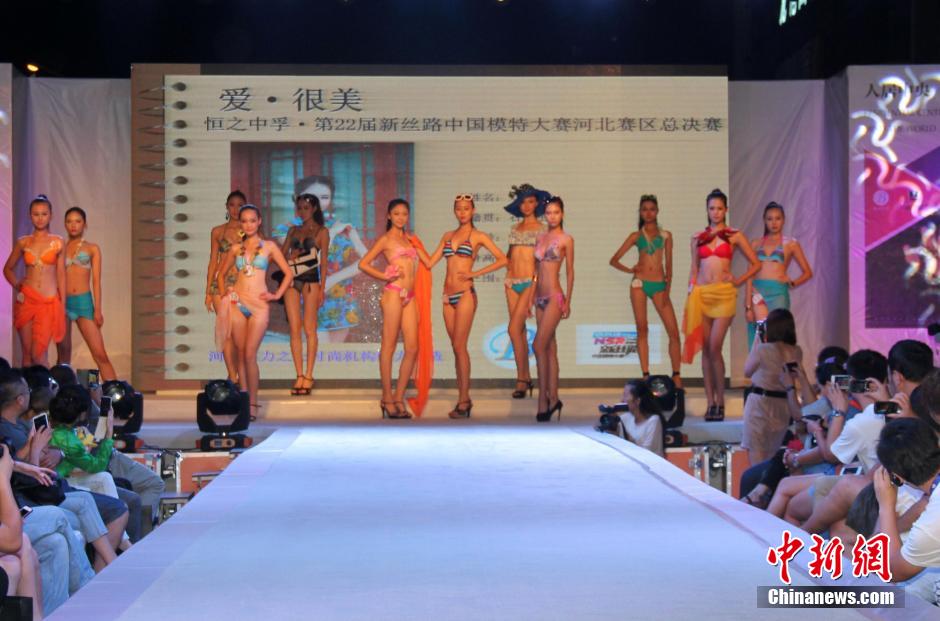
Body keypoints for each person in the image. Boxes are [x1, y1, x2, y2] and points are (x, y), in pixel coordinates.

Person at [426, 195, 508, 418]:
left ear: (473, 211)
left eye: (466, 208)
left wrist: (474, 273)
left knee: (460, 346)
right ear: (454, 211)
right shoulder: (447, 236)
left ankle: (463, 400)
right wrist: (412, 244)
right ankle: (464, 398)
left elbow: (503, 259)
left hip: (465, 294)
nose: (462, 212)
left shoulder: (478, 236)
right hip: (447, 296)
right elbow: (430, 262)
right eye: (458, 209)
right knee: (456, 347)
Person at [682, 188, 760, 421]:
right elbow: (694, 269)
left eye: (719, 208)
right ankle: (711, 402)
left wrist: (738, 280)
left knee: (715, 346)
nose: (715, 212)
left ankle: (721, 401)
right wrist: (690, 291)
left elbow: (755, 263)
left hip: (724, 294)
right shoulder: (698, 238)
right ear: (707, 210)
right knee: (706, 349)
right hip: (702, 294)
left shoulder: (734, 235)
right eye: (711, 208)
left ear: (726, 210)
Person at [358, 199, 433, 418]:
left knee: (412, 348)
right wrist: (384, 276)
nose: (401, 217)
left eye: (404, 214)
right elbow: (363, 264)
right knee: (389, 346)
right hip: (393, 293)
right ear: (389, 216)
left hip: (410, 296)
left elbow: (427, 263)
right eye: (396, 213)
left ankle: (399, 396)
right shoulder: (386, 239)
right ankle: (387, 398)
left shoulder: (409, 239)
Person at [216, 204, 293, 416]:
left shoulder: (269, 246)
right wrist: (225, 293)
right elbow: (221, 275)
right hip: (238, 303)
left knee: (250, 354)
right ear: (240, 224)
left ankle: (253, 403)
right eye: (244, 221)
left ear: (259, 221)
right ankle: (244, 402)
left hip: (259, 305)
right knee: (241, 354)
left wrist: (276, 295)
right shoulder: (235, 248)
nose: (248, 225)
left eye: (252, 220)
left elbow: (288, 273)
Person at [609, 194, 682, 385]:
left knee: (673, 332)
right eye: (644, 209)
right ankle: (646, 375)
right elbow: (614, 260)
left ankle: (676, 374)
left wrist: (667, 290)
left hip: (659, 285)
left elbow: (669, 267)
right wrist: (630, 270)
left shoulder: (666, 236)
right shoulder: (636, 236)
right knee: (642, 329)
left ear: (657, 211)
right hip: (640, 284)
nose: (648, 213)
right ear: (640, 213)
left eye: (652, 209)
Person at [294, 175, 368, 343]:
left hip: (340, 298)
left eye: (325, 197)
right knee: (318, 351)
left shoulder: (341, 225)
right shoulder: (291, 228)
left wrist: (334, 279)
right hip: (309, 297)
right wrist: (332, 233)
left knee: (334, 352)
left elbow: (367, 261)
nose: (318, 202)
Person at [873, 418, 940, 602]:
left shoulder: (930, 527)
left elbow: (891, 572)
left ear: (897, 477)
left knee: (889, 595)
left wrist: (886, 506)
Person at [54, 207, 117, 381]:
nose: (73, 225)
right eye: (69, 221)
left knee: (100, 354)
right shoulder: (60, 248)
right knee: (63, 357)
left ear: (85, 224)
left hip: (83, 302)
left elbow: (96, 281)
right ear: (65, 224)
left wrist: (98, 309)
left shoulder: (92, 248)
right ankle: (63, 395)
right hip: (63, 302)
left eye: (78, 221)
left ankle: (117, 393)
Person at [3, 195, 66, 366]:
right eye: (36, 214)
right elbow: (7, 269)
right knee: (27, 354)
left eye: (44, 214)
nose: (40, 218)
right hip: (27, 300)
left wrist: (63, 303)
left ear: (51, 215)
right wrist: (18, 285)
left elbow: (61, 274)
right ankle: (28, 384)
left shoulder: (58, 242)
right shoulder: (23, 242)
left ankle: (45, 384)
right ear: (30, 215)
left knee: (39, 354)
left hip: (48, 301)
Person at [280, 193, 330, 396]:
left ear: (315, 209)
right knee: (294, 329)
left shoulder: (322, 231)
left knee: (310, 329)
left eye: (306, 208)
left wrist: (322, 289)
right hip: (292, 280)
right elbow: (279, 256)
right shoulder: (293, 230)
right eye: (299, 208)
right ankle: (299, 374)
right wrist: (289, 257)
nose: (302, 211)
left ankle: (309, 375)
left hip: (311, 281)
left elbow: (324, 263)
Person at [745, 202, 813, 347]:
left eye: (778, 218)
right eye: (770, 219)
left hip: (778, 294)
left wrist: (792, 283)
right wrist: (748, 306)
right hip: (758, 293)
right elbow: (749, 276)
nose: (774, 222)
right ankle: (760, 362)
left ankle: (778, 362)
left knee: (778, 336)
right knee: (759, 337)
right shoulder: (755, 243)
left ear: (783, 220)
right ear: (764, 220)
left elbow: (807, 272)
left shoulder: (791, 244)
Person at [503, 184, 549, 399]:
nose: (527, 206)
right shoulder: (514, 228)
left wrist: (535, 284)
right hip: (511, 282)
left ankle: (526, 378)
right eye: (523, 202)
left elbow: (542, 262)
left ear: (537, 203)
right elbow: (509, 256)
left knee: (513, 329)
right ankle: (523, 377)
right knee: (518, 331)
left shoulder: (543, 229)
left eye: (530, 201)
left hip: (531, 282)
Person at [741, 308, 803, 464]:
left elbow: (747, 371)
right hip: (783, 405)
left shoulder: (763, 349)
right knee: (771, 457)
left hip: (759, 404)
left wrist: (757, 336)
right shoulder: (797, 351)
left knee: (757, 459)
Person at [532, 197, 574, 422]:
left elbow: (570, 272)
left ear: (562, 214)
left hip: (555, 297)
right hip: (539, 298)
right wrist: (530, 298)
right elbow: (535, 272)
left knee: (538, 345)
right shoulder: (540, 237)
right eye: (548, 212)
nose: (552, 216)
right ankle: (554, 398)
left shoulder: (566, 239)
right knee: (549, 348)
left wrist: (568, 301)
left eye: (556, 212)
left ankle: (543, 400)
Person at [205, 190, 247, 385]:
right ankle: (232, 376)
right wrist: (208, 291)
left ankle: (241, 375)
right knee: (226, 332)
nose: (236, 209)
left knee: (240, 334)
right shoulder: (218, 231)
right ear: (227, 207)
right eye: (232, 205)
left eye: (240, 205)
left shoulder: (250, 230)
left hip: (242, 285)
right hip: (220, 286)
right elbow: (213, 261)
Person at [617, 379, 665, 457]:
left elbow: (647, 453)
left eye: (625, 396)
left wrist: (628, 437)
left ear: (637, 401)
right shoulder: (625, 418)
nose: (622, 400)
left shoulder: (653, 420)